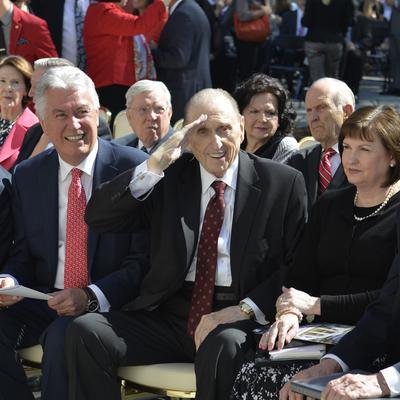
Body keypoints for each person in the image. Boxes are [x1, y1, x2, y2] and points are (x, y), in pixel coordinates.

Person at [65, 88, 307, 400]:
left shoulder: (282, 182)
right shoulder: (169, 177)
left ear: (241, 126)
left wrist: (245, 309)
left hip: (238, 315)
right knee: (86, 332)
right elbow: (99, 217)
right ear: (187, 137)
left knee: (222, 346)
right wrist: (154, 165)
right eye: (202, 131)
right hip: (171, 313)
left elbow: (297, 265)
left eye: (224, 129)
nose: (215, 143)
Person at [0, 66, 149, 400]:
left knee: (66, 336)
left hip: (110, 307)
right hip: (46, 300)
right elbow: (23, 254)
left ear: (98, 113)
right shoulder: (28, 175)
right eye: (60, 115)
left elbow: (144, 260)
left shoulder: (134, 169)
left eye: (82, 112)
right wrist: (9, 280)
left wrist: (90, 295)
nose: (74, 125)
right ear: (42, 121)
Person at [231, 104, 400, 399]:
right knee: (250, 367)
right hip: (319, 334)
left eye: (364, 149)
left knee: (284, 381)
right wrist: (290, 312)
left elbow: (390, 301)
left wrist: (319, 305)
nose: (351, 158)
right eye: (346, 147)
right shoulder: (330, 204)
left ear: (392, 157)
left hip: (375, 339)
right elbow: (301, 275)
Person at [14, 57, 112, 166]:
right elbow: (20, 171)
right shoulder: (34, 131)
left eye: (38, 86)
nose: (30, 93)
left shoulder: (94, 127)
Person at [84, 0, 167, 126]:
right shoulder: (103, 12)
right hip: (110, 86)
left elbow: (147, 30)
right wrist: (161, 2)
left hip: (118, 84)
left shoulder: (109, 10)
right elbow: (139, 25)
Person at [287, 77, 354, 211]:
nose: (313, 117)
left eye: (321, 107)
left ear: (346, 112)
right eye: (309, 110)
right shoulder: (298, 161)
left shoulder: (367, 159)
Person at [153, 0, 212, 125]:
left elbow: (178, 58)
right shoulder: (191, 9)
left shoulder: (183, 14)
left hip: (183, 93)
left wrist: (150, 51)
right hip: (192, 90)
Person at [234, 73, 298, 163]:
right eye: (254, 111)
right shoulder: (234, 144)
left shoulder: (285, 145)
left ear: (280, 118)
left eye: (270, 113)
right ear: (240, 114)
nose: (262, 119)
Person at [113, 79, 174, 153]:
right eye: (143, 110)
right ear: (129, 116)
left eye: (159, 109)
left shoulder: (183, 152)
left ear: (169, 113)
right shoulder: (117, 150)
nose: (151, 117)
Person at [302, 0, 355, 82]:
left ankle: (318, 88)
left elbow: (306, 21)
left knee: (316, 75)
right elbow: (349, 21)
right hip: (335, 40)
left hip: (314, 40)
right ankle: (331, 89)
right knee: (332, 76)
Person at [0, 55, 38, 171]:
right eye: (2, 81)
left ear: (26, 89)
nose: (8, 88)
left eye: (15, 82)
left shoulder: (36, 128)